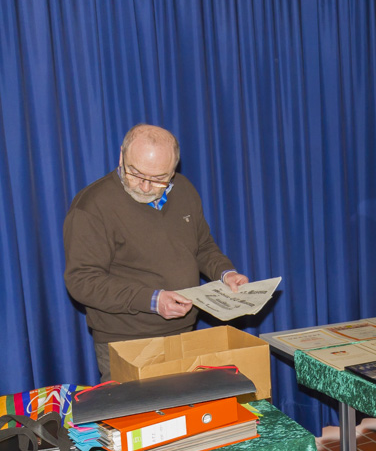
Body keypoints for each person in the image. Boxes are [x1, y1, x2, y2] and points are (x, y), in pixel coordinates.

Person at [63, 124, 249, 382]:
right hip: (127, 343)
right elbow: (82, 281)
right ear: (121, 156)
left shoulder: (184, 189)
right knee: (139, 410)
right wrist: (152, 300)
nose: (145, 186)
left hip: (184, 333)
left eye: (159, 178)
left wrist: (225, 273)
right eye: (135, 173)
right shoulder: (92, 206)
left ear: (173, 171)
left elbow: (202, 246)